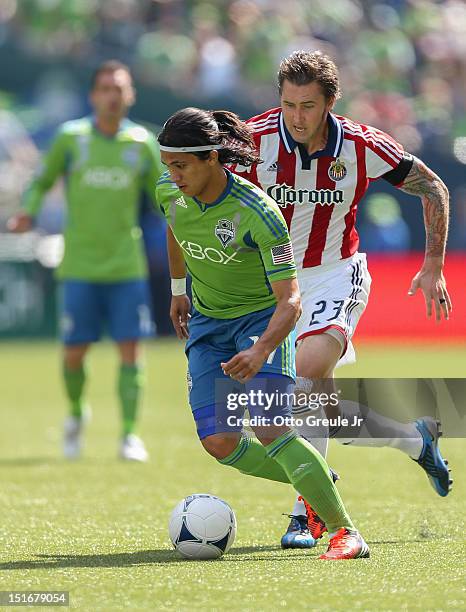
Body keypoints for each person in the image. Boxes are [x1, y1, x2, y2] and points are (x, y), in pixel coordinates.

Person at [230, 50, 452, 548]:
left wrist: (433, 263)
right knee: (318, 406)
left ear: (331, 101)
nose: (297, 117)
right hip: (274, 283)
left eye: (308, 106)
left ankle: (305, 513)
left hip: (336, 273)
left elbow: (432, 187)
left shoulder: (360, 144)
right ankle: (415, 439)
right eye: (288, 104)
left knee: (307, 372)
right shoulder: (254, 142)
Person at [156, 106, 370, 560]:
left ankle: (345, 532)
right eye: (167, 164)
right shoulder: (169, 192)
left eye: (181, 165)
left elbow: (291, 301)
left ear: (212, 158)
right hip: (209, 326)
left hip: (260, 322)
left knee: (272, 427)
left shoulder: (258, 211)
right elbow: (175, 229)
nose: (172, 175)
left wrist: (261, 349)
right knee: (219, 442)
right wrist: (179, 290)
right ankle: (313, 478)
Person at [7, 60, 163, 461]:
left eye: (120, 88)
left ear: (130, 96)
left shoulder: (142, 143)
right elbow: (41, 181)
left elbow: (165, 198)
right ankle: (77, 414)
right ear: (94, 95)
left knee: (131, 348)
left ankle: (129, 434)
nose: (113, 95)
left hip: (127, 264)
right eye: (106, 88)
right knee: (75, 351)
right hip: (79, 264)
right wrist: (29, 211)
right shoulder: (70, 138)